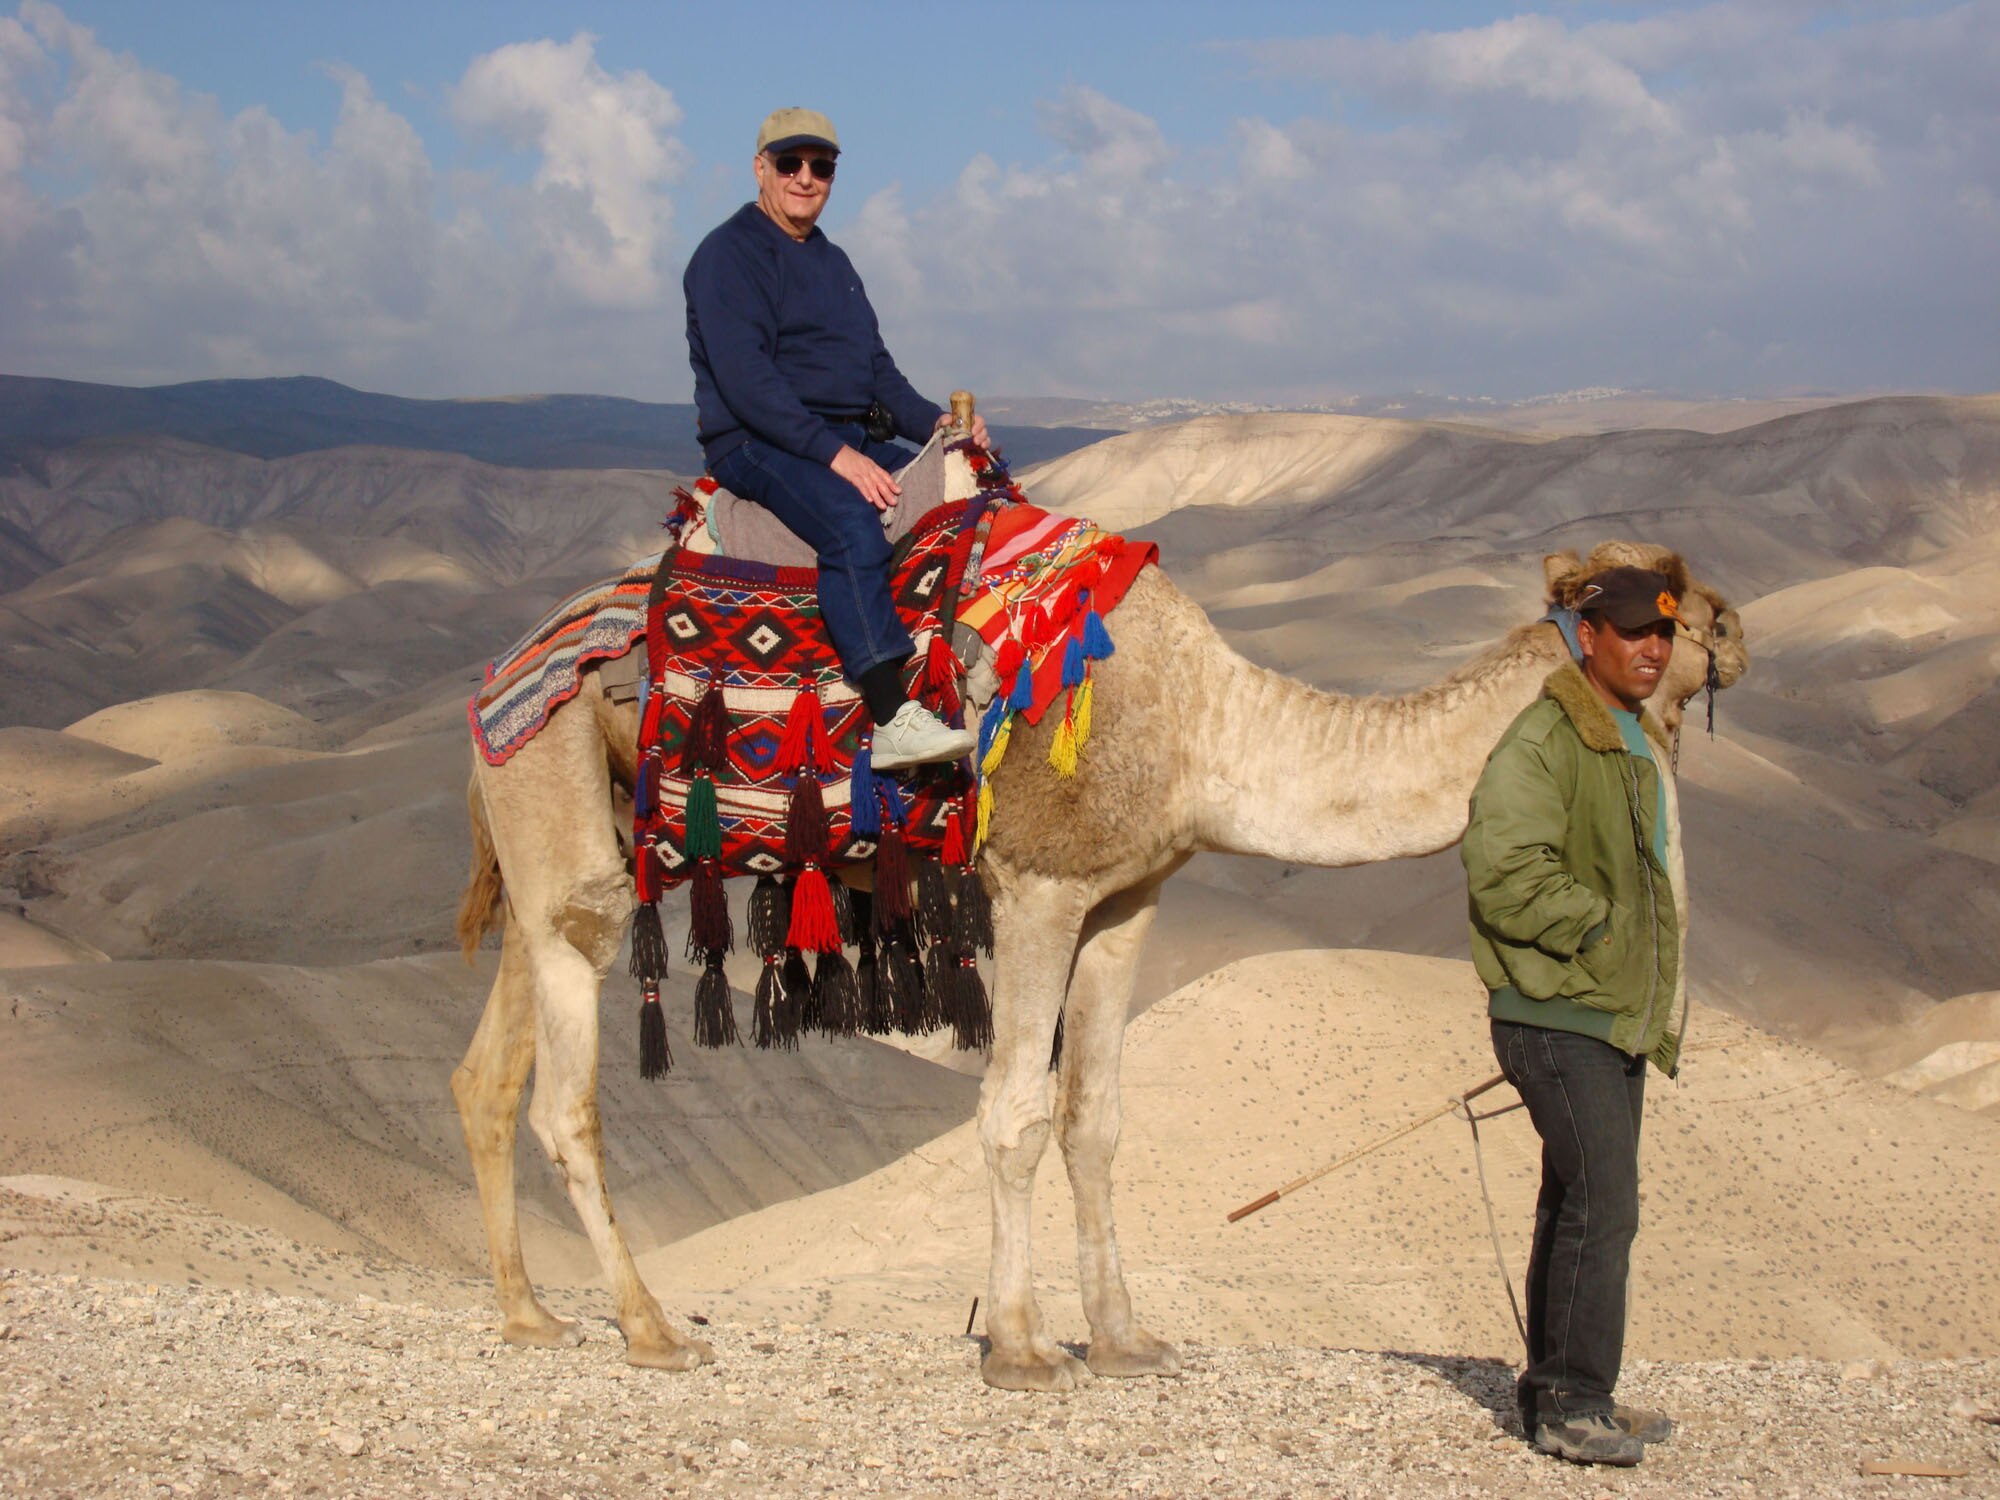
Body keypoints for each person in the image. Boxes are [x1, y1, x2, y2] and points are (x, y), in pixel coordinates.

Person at [1460, 564, 1690, 1468]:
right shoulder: (1547, 738)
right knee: (1605, 1204)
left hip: (1609, 1011)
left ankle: (1561, 1389)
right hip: (1559, 1011)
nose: (1652, 649)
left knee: (1575, 1201)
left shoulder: (1623, 735)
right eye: (1633, 631)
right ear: (1584, 635)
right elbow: (1504, 864)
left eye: (1662, 634)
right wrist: (1599, 929)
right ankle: (1571, 1403)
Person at [683, 107, 988, 771]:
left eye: (820, 166)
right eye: (790, 163)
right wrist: (836, 455)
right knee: (852, 522)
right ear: (761, 167)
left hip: (842, 432)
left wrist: (937, 426)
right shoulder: (726, 257)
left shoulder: (834, 262)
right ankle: (888, 713)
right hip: (758, 441)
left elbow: (876, 372)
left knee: (966, 492)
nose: (805, 177)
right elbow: (748, 384)